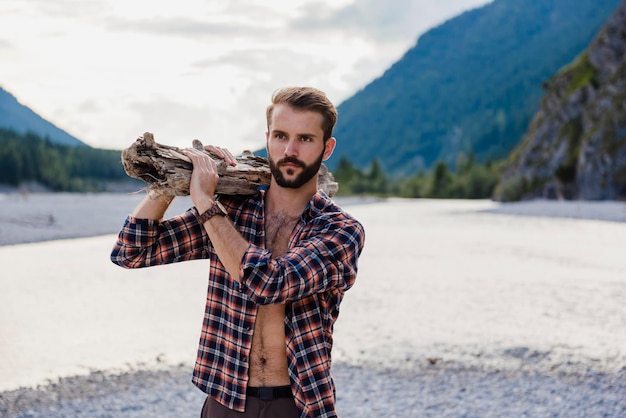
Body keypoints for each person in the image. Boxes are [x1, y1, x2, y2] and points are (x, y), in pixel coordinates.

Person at [110, 86, 365, 417]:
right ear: (268, 138)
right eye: (280, 136)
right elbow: (131, 251)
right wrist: (180, 179)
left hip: (297, 404)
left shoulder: (340, 231)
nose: (289, 150)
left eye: (305, 139)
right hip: (225, 401)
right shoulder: (232, 212)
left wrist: (205, 201)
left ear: (326, 147)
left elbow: (269, 284)